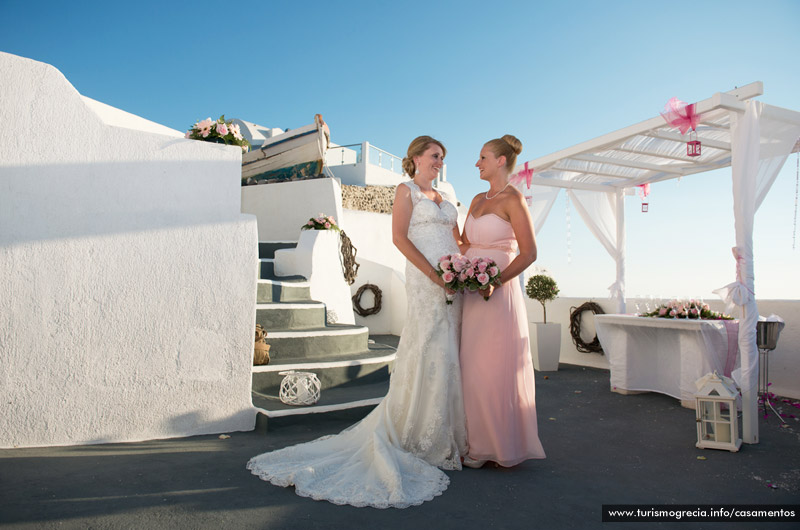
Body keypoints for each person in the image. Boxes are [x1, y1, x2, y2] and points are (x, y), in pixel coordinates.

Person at [247, 136, 467, 508]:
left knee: (450, 348)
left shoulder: (445, 198)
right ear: (414, 158)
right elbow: (399, 238)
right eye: (434, 156)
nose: (439, 162)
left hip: (452, 280)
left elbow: (458, 239)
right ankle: (417, 431)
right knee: (427, 345)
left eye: (442, 157)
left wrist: (469, 267)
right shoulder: (406, 191)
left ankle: (447, 431)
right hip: (426, 279)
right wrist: (434, 274)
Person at [459, 134, 546, 468]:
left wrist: (496, 281)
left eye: (482, 157)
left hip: (499, 293)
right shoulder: (476, 199)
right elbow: (466, 243)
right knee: (471, 365)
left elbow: (529, 253)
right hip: (471, 291)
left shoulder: (514, 199)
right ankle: (475, 441)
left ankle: (496, 447)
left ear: (500, 161)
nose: (477, 163)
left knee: (494, 368)